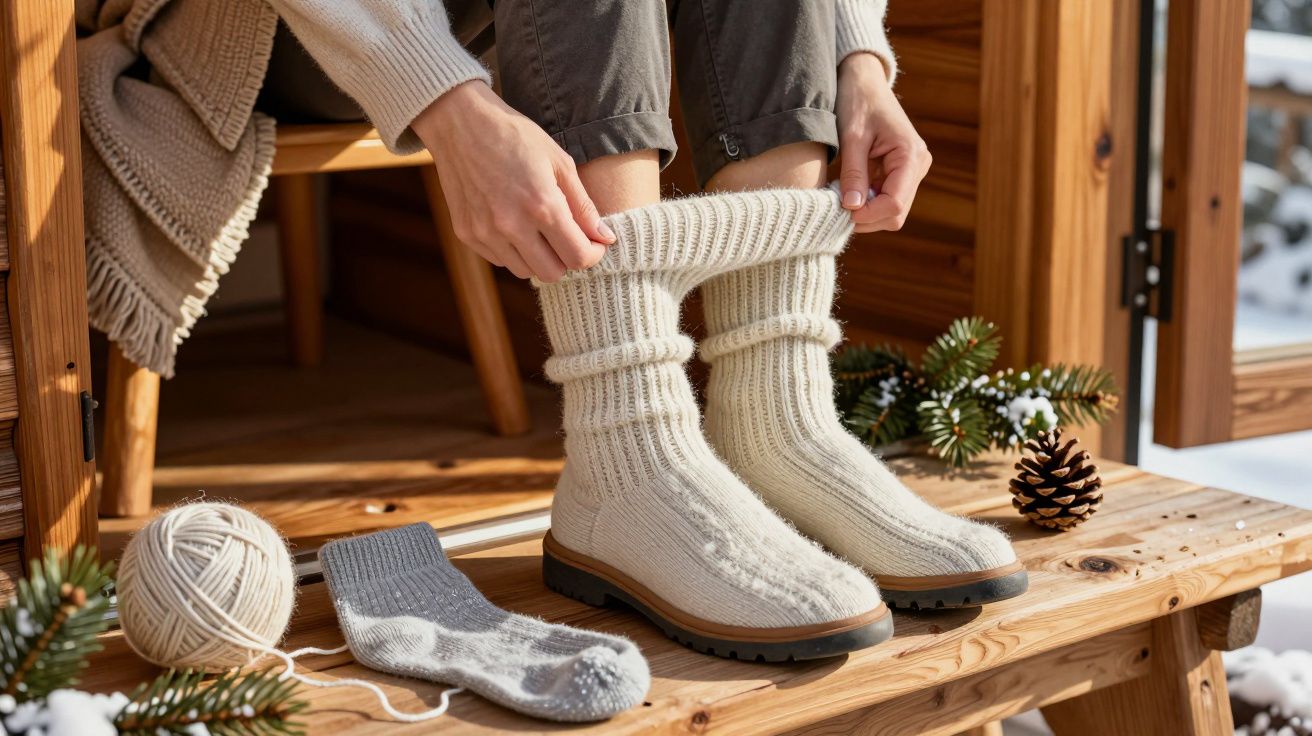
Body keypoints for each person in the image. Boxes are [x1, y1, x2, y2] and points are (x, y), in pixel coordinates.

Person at [90, 0, 1027, 659]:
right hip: (274, 24)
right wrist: (448, 107)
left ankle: (774, 417)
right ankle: (631, 449)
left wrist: (855, 53)